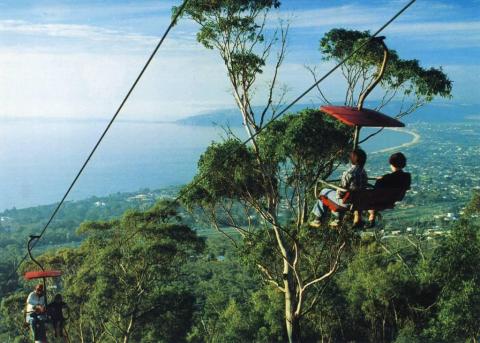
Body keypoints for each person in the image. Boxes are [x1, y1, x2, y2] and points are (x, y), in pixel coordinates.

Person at [310, 148, 368, 228]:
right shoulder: (364, 172)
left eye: (351, 155)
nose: (350, 157)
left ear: (355, 158)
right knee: (340, 196)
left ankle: (318, 219)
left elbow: (341, 194)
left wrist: (337, 191)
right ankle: (338, 220)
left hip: (347, 204)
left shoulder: (349, 173)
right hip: (358, 202)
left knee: (324, 192)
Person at [366, 152, 411, 228]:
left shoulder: (387, 178)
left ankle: (364, 217)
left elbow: (376, 191)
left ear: (392, 164)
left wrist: (380, 180)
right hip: (392, 200)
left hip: (379, 200)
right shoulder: (407, 177)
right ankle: (372, 216)